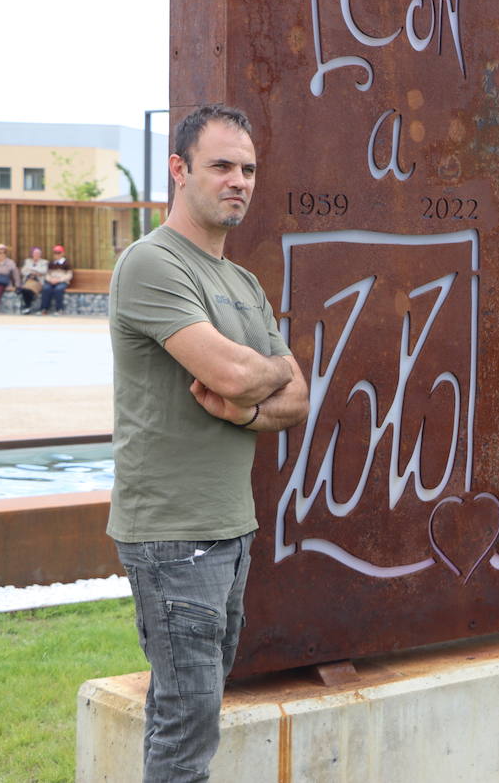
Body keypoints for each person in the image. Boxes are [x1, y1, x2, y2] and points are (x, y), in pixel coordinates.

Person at [107, 104, 309, 780]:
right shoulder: (151, 264)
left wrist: (249, 408)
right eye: (221, 165)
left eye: (248, 169)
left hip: (229, 525)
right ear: (179, 169)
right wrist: (263, 376)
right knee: (188, 724)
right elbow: (232, 372)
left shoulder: (242, 281)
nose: (239, 181)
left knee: (190, 707)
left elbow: (297, 397)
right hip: (172, 532)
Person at [39, 244, 73, 314]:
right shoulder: (51, 263)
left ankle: (59, 309)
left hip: (62, 281)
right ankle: (44, 309)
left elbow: (69, 275)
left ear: (63, 253)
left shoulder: (66, 263)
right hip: (51, 281)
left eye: (59, 253)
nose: (57, 255)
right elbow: (47, 274)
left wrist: (59, 280)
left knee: (58, 290)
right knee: (46, 288)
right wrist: (50, 279)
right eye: (55, 253)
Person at [18, 247, 47, 314]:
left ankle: (27, 306)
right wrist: (34, 272)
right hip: (28, 280)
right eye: (35, 253)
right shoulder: (27, 261)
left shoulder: (44, 262)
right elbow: (23, 271)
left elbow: (44, 271)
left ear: (40, 254)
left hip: (38, 281)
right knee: (26, 289)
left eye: (38, 253)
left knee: (27, 289)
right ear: (32, 254)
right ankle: (27, 306)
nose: (36, 255)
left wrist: (31, 271)